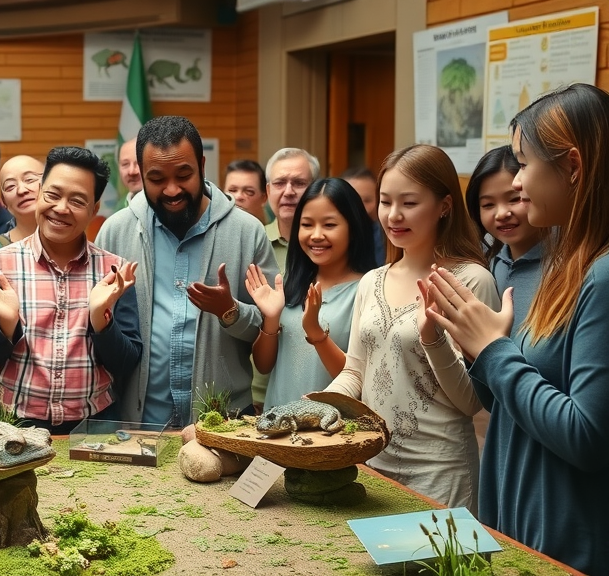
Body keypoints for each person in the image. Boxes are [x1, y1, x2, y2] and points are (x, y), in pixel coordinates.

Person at [424, 84, 609, 575]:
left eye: (524, 164)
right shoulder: (568, 264)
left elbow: (587, 434)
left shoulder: (603, 275)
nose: (519, 182)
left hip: (567, 544)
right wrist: (474, 347)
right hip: (521, 528)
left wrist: (495, 349)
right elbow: (509, 400)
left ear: (572, 166)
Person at [323, 144, 497, 513]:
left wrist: (431, 339)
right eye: (385, 202)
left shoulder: (471, 281)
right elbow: (355, 371)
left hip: (441, 472)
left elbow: (472, 401)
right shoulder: (371, 280)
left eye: (410, 203)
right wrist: (319, 406)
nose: (394, 215)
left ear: (445, 206)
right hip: (372, 463)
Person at [96, 116, 278, 426]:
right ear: (140, 173)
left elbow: (268, 335)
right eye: (156, 178)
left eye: (184, 175)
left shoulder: (247, 233)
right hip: (139, 426)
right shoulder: (116, 232)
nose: (172, 190)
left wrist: (230, 312)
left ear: (202, 165)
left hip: (223, 424)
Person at [0, 146, 142, 433]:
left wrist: (101, 320)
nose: (61, 208)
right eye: (52, 195)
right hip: (15, 426)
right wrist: (6, 325)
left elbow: (127, 362)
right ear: (39, 194)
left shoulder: (113, 272)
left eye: (77, 200)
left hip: (95, 426)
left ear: (94, 209)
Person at [246, 178, 375, 411]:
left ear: (353, 228)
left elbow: (359, 379)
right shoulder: (290, 283)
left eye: (329, 225)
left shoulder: (368, 289)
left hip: (331, 436)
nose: (316, 235)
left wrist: (315, 332)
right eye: (307, 224)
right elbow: (264, 366)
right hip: (278, 428)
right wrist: (272, 318)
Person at [464, 145, 543, 335]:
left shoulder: (569, 264)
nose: (501, 214)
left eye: (514, 199)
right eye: (488, 204)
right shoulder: (485, 264)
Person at [0, 154, 43, 260]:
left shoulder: (74, 241)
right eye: (10, 186)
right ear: (4, 202)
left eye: (30, 180)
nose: (21, 190)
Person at [264, 148, 319, 268]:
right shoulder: (255, 241)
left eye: (299, 183)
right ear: (268, 191)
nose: (288, 192)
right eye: (280, 183)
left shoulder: (326, 244)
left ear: (315, 189)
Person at [340, 166, 385, 266]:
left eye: (367, 200)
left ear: (379, 200)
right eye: (352, 201)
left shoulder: (388, 239)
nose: (359, 207)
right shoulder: (326, 235)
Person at [223, 159, 270, 225]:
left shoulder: (269, 233)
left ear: (264, 198)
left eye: (249, 191)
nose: (238, 196)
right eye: (232, 190)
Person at [114, 136, 143, 211]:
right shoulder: (119, 208)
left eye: (138, 163)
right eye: (125, 164)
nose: (132, 171)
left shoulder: (167, 206)